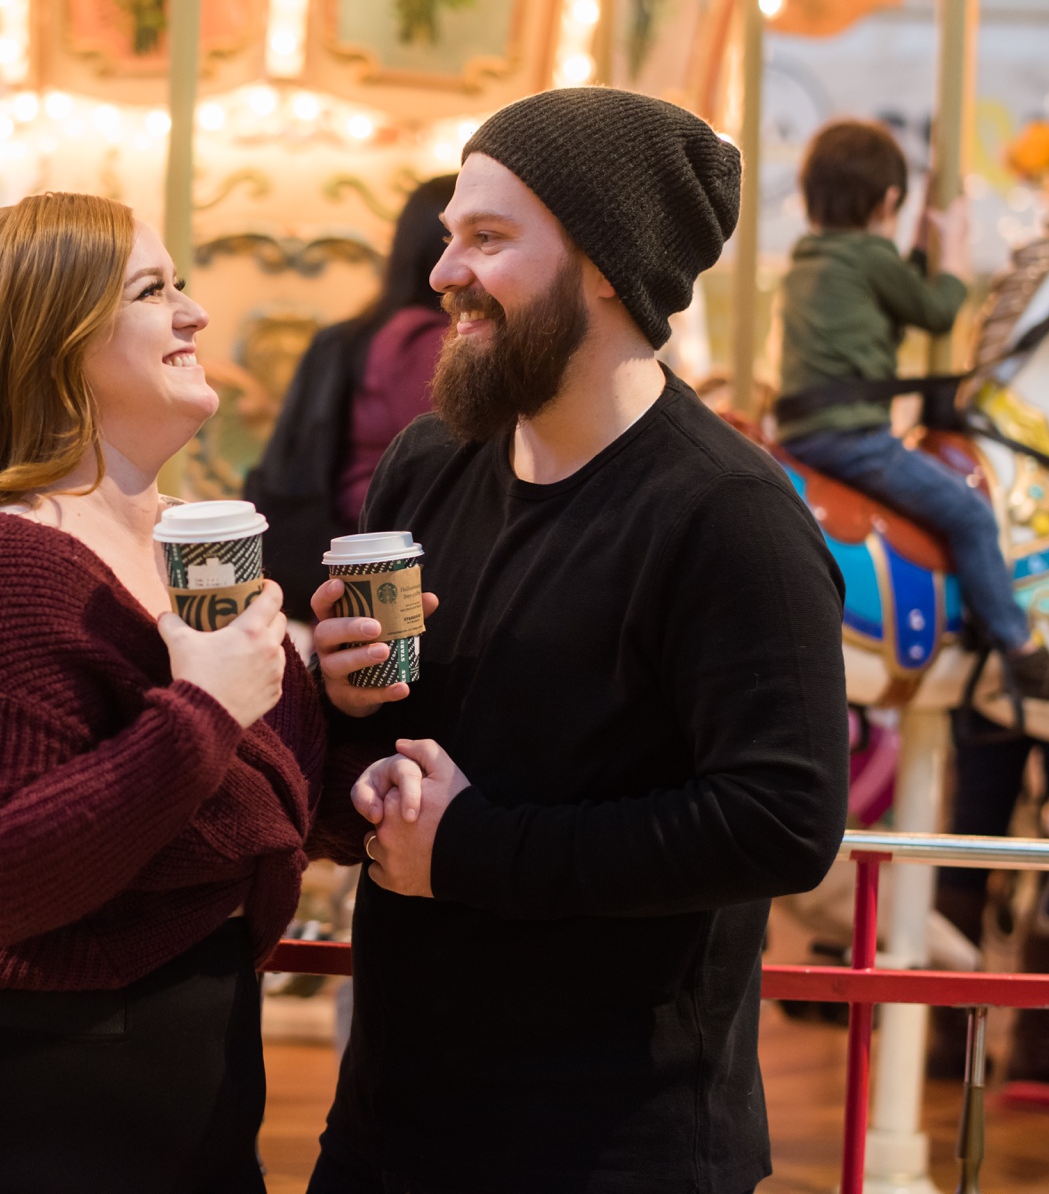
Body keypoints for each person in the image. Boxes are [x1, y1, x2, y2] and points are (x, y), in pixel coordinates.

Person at [303, 88, 851, 1192]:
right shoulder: (428, 460)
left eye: (487, 238)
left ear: (606, 262)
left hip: (611, 1140)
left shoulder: (726, 513)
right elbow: (403, 736)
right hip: (392, 1115)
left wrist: (471, 849)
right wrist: (344, 704)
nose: (442, 271)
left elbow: (780, 821)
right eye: (451, 233)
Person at [0, 191, 326, 1194]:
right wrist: (205, 710)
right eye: (152, 290)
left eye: (181, 284)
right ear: (54, 343)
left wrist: (340, 698)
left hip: (156, 1057)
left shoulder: (186, 545)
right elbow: (1, 871)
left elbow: (267, 804)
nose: (194, 314)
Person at [775, 119, 1049, 702]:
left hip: (803, 431)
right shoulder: (871, 257)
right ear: (889, 202)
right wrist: (951, 252)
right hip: (853, 440)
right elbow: (939, 310)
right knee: (971, 515)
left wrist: (921, 245)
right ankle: (1020, 651)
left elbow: (897, 303)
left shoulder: (809, 259)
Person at [247, 177, 455, 618]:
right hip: (386, 562)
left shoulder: (374, 330)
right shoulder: (425, 339)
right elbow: (451, 463)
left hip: (352, 546)